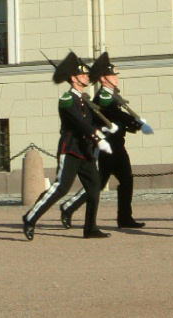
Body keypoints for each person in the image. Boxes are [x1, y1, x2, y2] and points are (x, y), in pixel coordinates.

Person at [22, 51, 113, 240]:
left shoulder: (84, 99)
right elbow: (79, 122)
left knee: (94, 188)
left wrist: (105, 127)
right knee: (61, 188)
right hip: (71, 149)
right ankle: (30, 217)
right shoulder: (67, 99)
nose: (87, 77)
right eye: (83, 74)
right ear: (73, 78)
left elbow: (92, 120)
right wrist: (96, 135)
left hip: (85, 150)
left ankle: (90, 228)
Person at [59, 52, 153, 229]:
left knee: (126, 180)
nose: (116, 78)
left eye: (116, 75)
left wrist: (134, 125)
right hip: (107, 147)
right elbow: (116, 114)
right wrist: (137, 124)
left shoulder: (112, 95)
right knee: (98, 184)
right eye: (112, 75)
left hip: (118, 145)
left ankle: (125, 217)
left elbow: (118, 119)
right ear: (103, 79)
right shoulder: (104, 97)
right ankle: (69, 207)